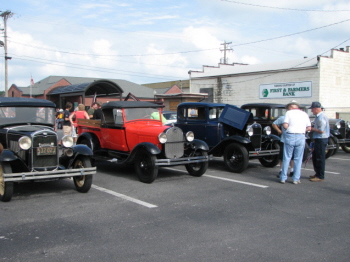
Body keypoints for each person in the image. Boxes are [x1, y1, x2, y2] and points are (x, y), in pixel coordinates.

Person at [280, 101, 311, 184]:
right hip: (301, 136)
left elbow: (285, 125)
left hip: (290, 135)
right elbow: (309, 128)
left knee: (287, 157)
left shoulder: (289, 113)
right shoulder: (304, 114)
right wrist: (301, 129)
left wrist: (290, 128)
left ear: (290, 107)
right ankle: (296, 178)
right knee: (298, 158)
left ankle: (283, 178)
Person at [309, 102, 330, 182]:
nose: (311, 111)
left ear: (316, 109)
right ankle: (317, 173)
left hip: (321, 139)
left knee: (319, 158)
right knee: (315, 157)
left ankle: (320, 176)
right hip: (318, 139)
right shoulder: (319, 116)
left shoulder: (321, 117)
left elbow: (321, 130)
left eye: (312, 109)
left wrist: (311, 129)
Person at [272, 104, 294, 178]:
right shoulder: (283, 118)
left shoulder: (296, 118)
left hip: (293, 140)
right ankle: (281, 170)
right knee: (282, 156)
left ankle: (292, 170)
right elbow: (274, 124)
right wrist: (279, 130)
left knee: (292, 157)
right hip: (284, 140)